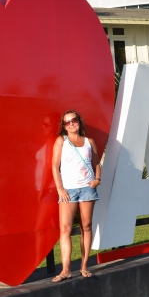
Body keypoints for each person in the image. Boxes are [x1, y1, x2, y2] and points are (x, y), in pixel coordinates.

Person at [51, 110, 101, 281]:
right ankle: (66, 270)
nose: (71, 123)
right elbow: (55, 166)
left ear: (79, 121)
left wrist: (97, 179)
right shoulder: (61, 141)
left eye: (74, 120)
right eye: (67, 122)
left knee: (86, 226)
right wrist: (60, 189)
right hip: (68, 191)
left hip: (87, 189)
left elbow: (96, 163)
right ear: (63, 126)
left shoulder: (89, 142)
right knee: (65, 228)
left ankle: (84, 266)